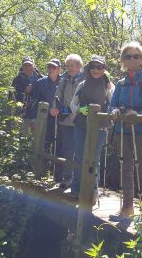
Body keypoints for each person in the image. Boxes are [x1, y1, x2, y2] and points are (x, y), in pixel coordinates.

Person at [109, 41, 142, 227]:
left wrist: (138, 116)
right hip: (124, 130)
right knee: (126, 168)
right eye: (128, 56)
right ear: (123, 60)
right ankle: (127, 208)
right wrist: (114, 112)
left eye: (136, 56)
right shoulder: (121, 84)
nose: (132, 59)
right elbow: (112, 104)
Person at [70, 55, 114, 201]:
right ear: (89, 68)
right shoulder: (82, 84)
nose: (96, 70)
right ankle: (76, 189)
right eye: (93, 67)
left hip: (100, 127)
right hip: (81, 124)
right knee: (80, 156)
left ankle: (93, 192)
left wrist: (107, 118)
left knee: (94, 159)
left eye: (100, 67)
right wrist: (80, 110)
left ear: (104, 69)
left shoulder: (109, 86)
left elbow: (112, 105)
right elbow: (72, 104)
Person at [50, 54, 84, 187]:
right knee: (68, 150)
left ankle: (79, 180)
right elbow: (57, 96)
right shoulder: (64, 80)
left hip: (80, 119)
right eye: (68, 65)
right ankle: (68, 177)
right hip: (65, 119)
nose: (69, 68)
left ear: (79, 66)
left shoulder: (87, 79)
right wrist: (54, 107)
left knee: (80, 151)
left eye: (72, 65)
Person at [32, 58, 62, 152]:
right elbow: (33, 103)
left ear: (59, 69)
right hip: (43, 120)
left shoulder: (65, 82)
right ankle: (41, 166)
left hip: (61, 121)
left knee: (58, 149)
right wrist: (33, 120)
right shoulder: (40, 83)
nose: (51, 69)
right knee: (42, 147)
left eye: (54, 67)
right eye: (49, 66)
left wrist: (60, 110)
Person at [12, 56, 42, 135]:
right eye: (25, 65)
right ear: (22, 66)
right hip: (23, 112)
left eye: (30, 65)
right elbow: (12, 96)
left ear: (34, 66)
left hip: (37, 111)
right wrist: (24, 91)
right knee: (22, 134)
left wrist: (33, 86)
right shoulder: (17, 79)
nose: (28, 68)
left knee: (36, 136)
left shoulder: (40, 78)